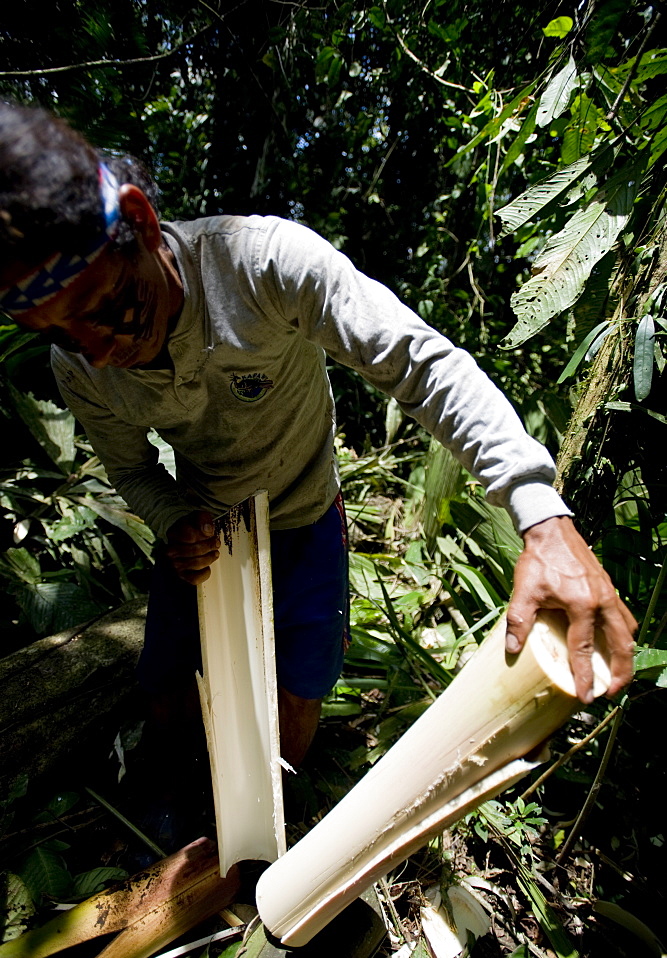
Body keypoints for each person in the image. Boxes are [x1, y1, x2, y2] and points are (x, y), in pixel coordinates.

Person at [0, 103, 637, 775]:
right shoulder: (80, 367)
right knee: (167, 683)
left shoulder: (261, 265)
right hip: (204, 534)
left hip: (304, 517)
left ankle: (270, 844)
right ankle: (176, 805)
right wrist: (171, 518)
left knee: (297, 692)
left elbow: (421, 366)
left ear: (140, 220)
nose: (99, 352)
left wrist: (541, 516)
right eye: (63, 335)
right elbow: (130, 469)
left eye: (109, 310)